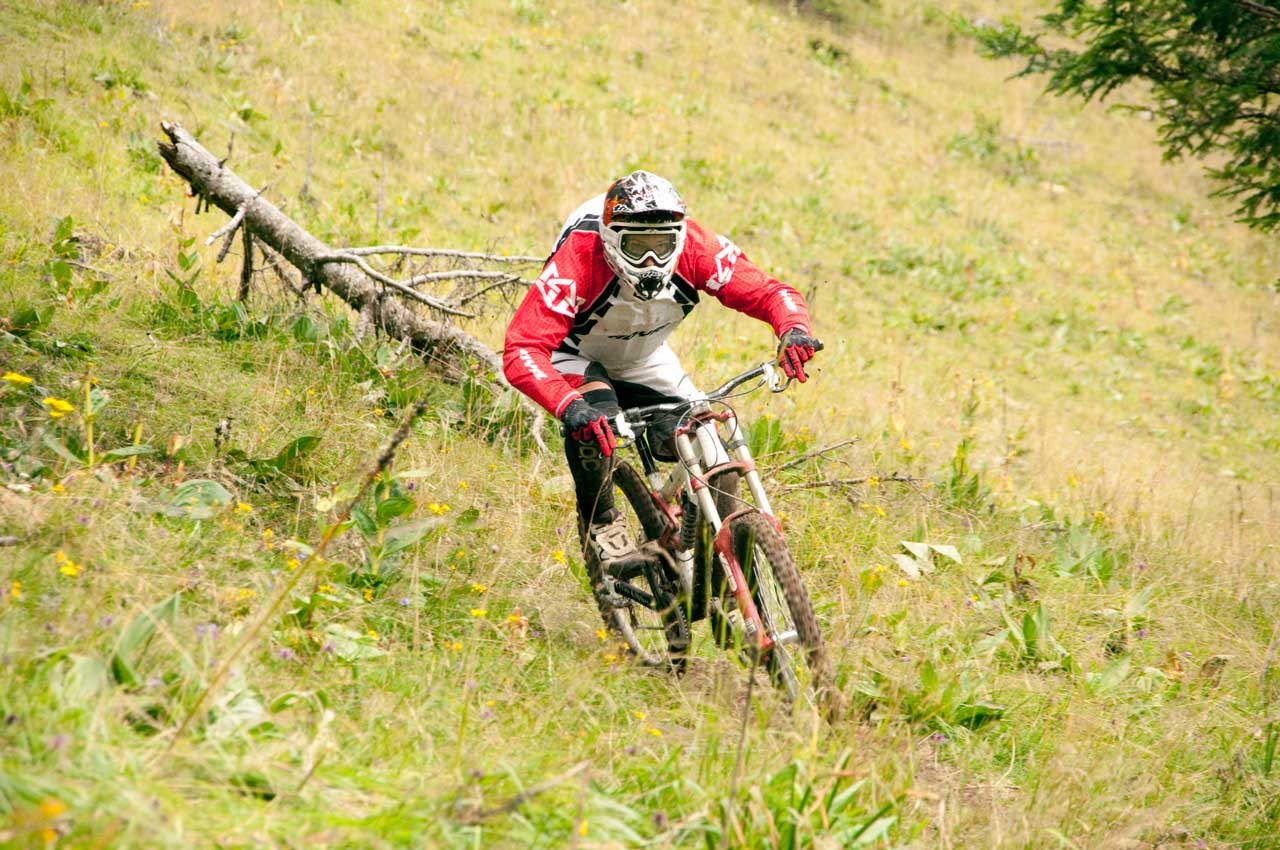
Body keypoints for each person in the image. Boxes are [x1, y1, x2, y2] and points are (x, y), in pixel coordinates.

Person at [502, 171, 820, 565]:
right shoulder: (581, 256)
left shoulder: (695, 247)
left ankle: (720, 569)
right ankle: (602, 521)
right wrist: (568, 404)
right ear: (611, 238)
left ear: (678, 237)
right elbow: (522, 346)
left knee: (718, 462)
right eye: (637, 247)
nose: (651, 260)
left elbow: (771, 292)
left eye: (662, 245)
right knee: (595, 424)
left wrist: (793, 330)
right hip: (575, 354)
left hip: (646, 357)